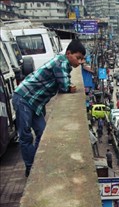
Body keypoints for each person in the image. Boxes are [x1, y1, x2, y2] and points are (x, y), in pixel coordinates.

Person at [12, 39, 86, 176]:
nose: (80, 62)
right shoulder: (60, 62)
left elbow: (66, 83)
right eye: (78, 58)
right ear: (69, 54)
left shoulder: (65, 64)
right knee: (25, 136)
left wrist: (69, 86)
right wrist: (69, 87)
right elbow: (65, 86)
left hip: (35, 103)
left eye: (82, 59)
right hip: (24, 98)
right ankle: (30, 167)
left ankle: (35, 162)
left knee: (43, 133)